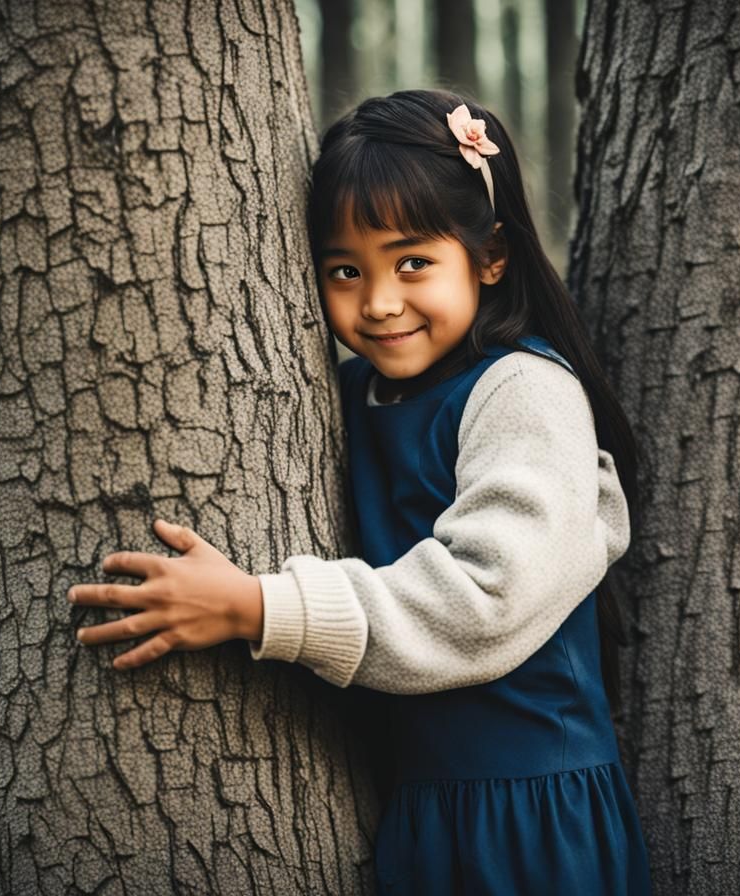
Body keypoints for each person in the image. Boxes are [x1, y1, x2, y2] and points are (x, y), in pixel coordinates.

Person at [67, 88, 653, 894]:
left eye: (413, 262)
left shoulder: (520, 390)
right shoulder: (346, 394)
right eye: (345, 270)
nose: (378, 302)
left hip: (527, 823)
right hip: (413, 811)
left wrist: (256, 606)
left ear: (490, 255)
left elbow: (487, 597)